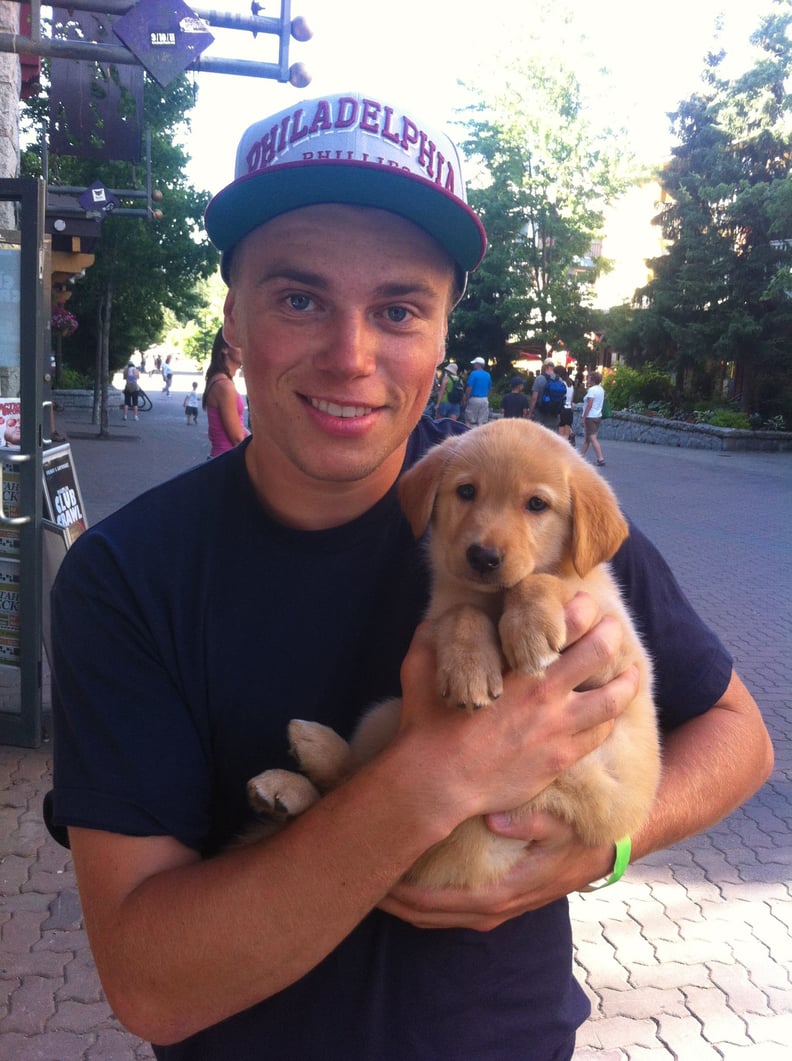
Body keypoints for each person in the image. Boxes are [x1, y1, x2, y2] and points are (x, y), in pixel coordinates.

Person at [47, 91, 773, 1061]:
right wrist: (434, 775)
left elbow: (740, 734)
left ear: (440, 339)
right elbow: (149, 984)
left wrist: (599, 848)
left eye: (398, 308)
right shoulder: (125, 577)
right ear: (232, 315)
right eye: (298, 296)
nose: (351, 356)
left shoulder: (539, 507)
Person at [202, 327, 251, 456]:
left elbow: (239, 427)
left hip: (223, 459)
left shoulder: (220, 380)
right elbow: (237, 439)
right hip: (227, 462)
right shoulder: (224, 386)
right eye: (239, 343)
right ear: (224, 349)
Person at [530, 357, 565, 430]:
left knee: (539, 435)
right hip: (554, 413)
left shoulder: (539, 379)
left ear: (544, 367)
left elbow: (534, 398)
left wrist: (530, 413)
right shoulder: (560, 379)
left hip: (540, 413)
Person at [581, 370, 607, 466]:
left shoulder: (592, 390)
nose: (587, 380)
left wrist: (584, 417)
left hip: (590, 416)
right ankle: (580, 457)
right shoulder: (601, 389)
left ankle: (600, 458)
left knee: (592, 438)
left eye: (589, 378)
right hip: (597, 416)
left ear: (592, 380)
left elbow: (589, 404)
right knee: (587, 439)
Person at [464, 356, 492, 425]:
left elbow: (469, 387)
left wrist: (466, 399)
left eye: (474, 364)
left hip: (474, 399)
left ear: (478, 365)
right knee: (481, 421)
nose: (473, 365)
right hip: (484, 399)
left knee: (469, 420)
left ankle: (468, 434)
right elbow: (489, 389)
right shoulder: (488, 375)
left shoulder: (474, 373)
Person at [556, 364, 576, 446]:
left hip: (562, 409)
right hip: (569, 410)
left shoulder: (561, 384)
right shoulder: (570, 384)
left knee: (560, 434)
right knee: (566, 434)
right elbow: (571, 400)